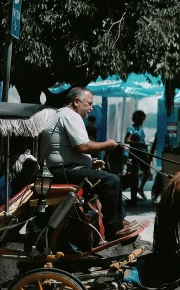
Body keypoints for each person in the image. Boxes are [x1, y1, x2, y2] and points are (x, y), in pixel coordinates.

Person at [40, 87, 136, 239]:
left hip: (63, 170)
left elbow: (69, 150)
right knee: (112, 181)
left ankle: (115, 222)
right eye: (89, 104)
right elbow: (82, 146)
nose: (91, 108)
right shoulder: (70, 116)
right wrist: (107, 144)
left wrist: (90, 163)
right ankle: (114, 229)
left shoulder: (62, 115)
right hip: (64, 171)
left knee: (107, 180)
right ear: (76, 101)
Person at [124, 110, 151, 206]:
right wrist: (138, 144)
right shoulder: (132, 128)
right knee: (134, 177)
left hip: (143, 153)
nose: (142, 121)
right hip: (135, 154)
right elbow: (127, 140)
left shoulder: (141, 128)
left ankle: (140, 189)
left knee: (148, 172)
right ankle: (133, 199)